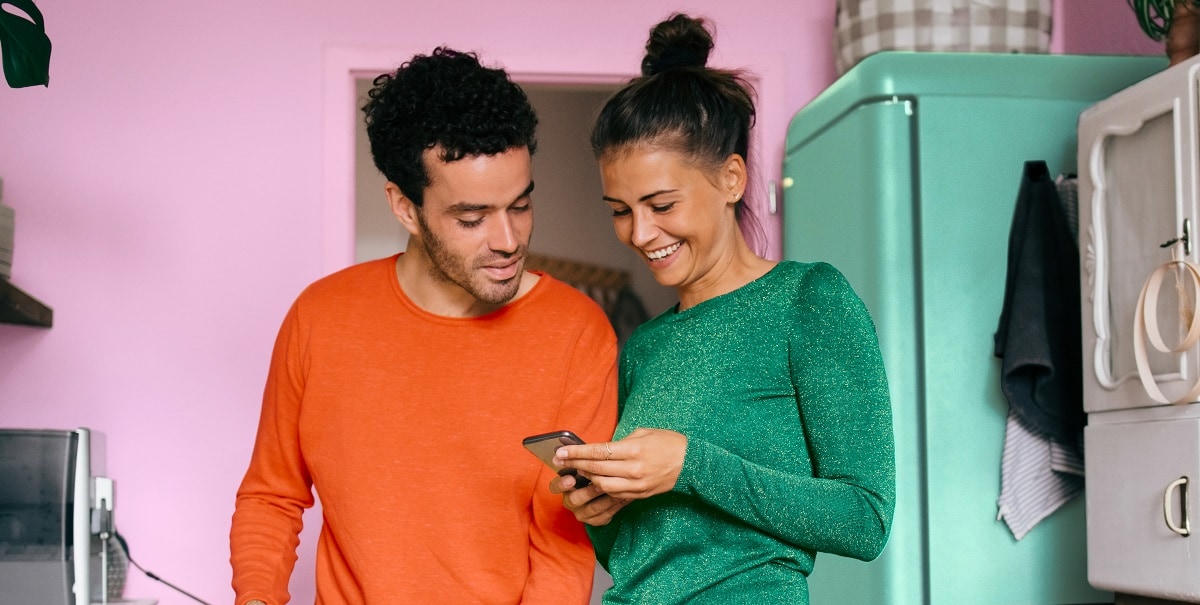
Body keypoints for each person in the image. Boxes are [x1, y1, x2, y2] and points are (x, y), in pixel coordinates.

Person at [229, 47, 618, 605]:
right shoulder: (320, 317)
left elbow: (561, 545)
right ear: (405, 207)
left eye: (521, 205)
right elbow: (272, 495)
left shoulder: (576, 332)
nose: (508, 240)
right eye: (472, 218)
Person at [550, 14, 896, 604]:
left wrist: (691, 466)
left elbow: (864, 518)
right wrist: (601, 512)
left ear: (731, 178)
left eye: (661, 204)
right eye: (619, 209)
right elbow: (643, 552)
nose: (638, 233)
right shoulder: (645, 346)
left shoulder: (807, 301)